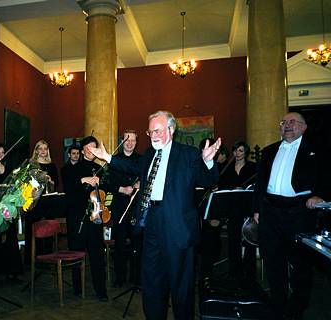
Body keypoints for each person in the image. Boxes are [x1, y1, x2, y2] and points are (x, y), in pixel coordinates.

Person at [90, 110, 221, 319]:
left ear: (171, 129)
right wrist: (107, 157)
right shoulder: (150, 154)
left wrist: (208, 161)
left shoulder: (187, 154)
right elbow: (131, 167)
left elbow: (208, 180)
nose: (154, 136)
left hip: (178, 229)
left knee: (181, 287)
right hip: (151, 223)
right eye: (150, 132)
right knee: (151, 282)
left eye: (158, 131)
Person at [253, 112, 330, 320]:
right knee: (272, 261)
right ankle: (278, 304)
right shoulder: (269, 151)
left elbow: (327, 176)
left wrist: (320, 195)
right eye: (284, 122)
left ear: (303, 127)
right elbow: (260, 184)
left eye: (292, 122)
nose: (287, 125)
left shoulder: (316, 150)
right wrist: (257, 209)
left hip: (298, 211)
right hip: (270, 212)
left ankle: (297, 307)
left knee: (300, 264)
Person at [65, 135, 108, 301]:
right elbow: (69, 191)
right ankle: (77, 288)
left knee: (97, 255)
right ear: (83, 150)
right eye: (89, 147)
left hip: (95, 217)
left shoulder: (100, 168)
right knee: (77, 254)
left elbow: (106, 192)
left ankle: (101, 290)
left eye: (94, 147)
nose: (91, 150)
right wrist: (84, 180)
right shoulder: (71, 168)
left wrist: (101, 183)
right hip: (77, 219)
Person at [107, 129, 141, 287]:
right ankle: (120, 277)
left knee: (137, 244)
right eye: (127, 140)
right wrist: (122, 189)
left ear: (136, 142)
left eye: (133, 140)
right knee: (120, 244)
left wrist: (140, 185)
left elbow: (147, 179)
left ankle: (136, 278)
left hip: (136, 207)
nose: (130, 143)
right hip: (120, 206)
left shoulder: (141, 160)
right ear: (122, 142)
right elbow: (108, 183)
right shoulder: (114, 160)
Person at [218, 140, 257, 280]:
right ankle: (234, 272)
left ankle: (250, 272)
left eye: (241, 150)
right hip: (233, 209)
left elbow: (257, 188)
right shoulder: (227, 169)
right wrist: (231, 189)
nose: (237, 153)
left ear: (246, 152)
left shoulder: (253, 168)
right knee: (233, 240)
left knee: (249, 241)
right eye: (235, 150)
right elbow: (221, 187)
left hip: (248, 209)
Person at [0, 142, 23, 281]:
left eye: (3, 152)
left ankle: (12, 271)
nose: (1, 154)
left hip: (7, 207)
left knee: (11, 237)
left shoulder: (9, 168)